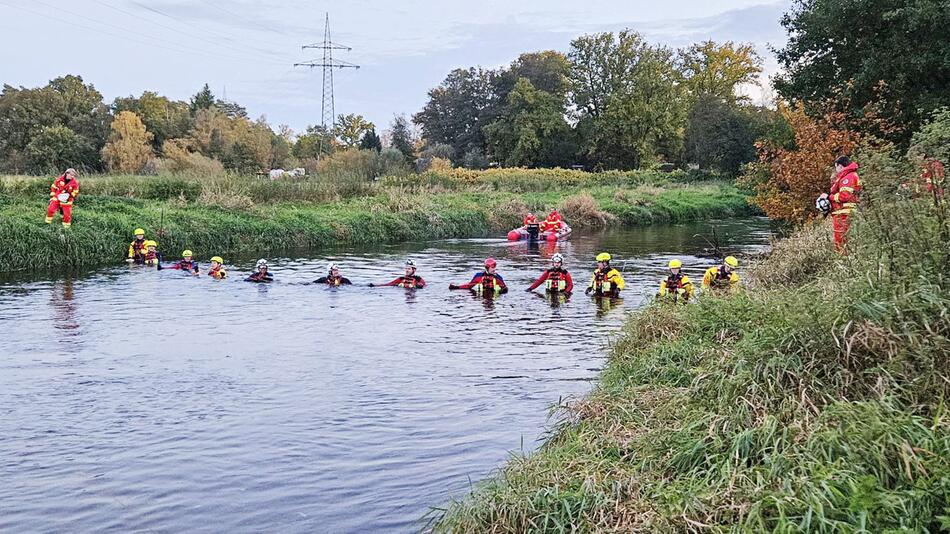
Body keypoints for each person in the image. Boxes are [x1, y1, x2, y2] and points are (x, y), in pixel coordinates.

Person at [818, 156, 861, 253]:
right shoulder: (849, 175)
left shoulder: (848, 177)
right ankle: (845, 259)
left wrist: (830, 198)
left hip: (843, 214)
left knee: (841, 241)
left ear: (840, 166)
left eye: (836, 167)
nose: (836, 170)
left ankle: (844, 261)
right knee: (842, 240)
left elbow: (845, 196)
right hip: (842, 213)